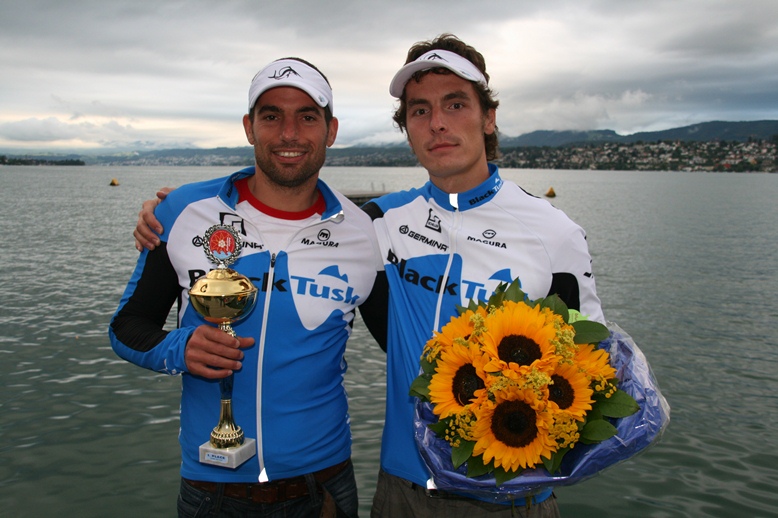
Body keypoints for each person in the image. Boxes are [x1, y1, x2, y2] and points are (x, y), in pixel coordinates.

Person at [134, 35, 604, 518]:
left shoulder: (555, 233)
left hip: (511, 494)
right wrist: (173, 211)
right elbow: (289, 213)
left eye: (456, 104)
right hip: (401, 490)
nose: (438, 122)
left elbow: (593, 375)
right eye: (420, 110)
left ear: (489, 117)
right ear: (407, 127)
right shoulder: (379, 223)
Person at [110, 57, 381, 518]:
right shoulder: (183, 212)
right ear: (249, 126)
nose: (289, 133)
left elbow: (412, 331)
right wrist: (181, 348)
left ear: (330, 130)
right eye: (271, 115)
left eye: (307, 116)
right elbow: (127, 327)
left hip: (325, 488)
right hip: (211, 490)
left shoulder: (364, 231)